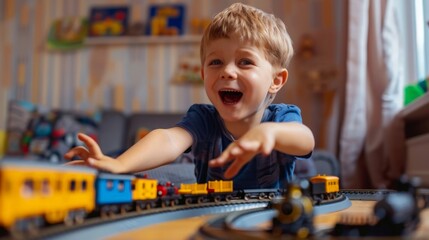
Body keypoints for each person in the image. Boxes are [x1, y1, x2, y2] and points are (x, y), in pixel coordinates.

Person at [65, 3, 315, 190]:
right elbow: (168, 140)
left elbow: (305, 140)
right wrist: (119, 165)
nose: (227, 71)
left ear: (276, 80)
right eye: (216, 61)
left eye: (245, 62)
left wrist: (269, 133)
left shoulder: (282, 118)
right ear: (203, 72)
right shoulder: (203, 119)